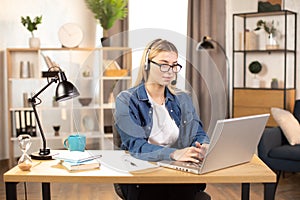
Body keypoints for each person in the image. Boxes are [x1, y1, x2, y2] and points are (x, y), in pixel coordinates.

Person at [114, 38, 211, 200]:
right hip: (144, 176)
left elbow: (197, 132)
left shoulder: (182, 98)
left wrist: (203, 145)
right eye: (164, 64)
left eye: (174, 65)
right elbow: (136, 147)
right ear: (147, 64)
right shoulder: (126, 100)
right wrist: (174, 154)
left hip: (179, 173)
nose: (170, 71)